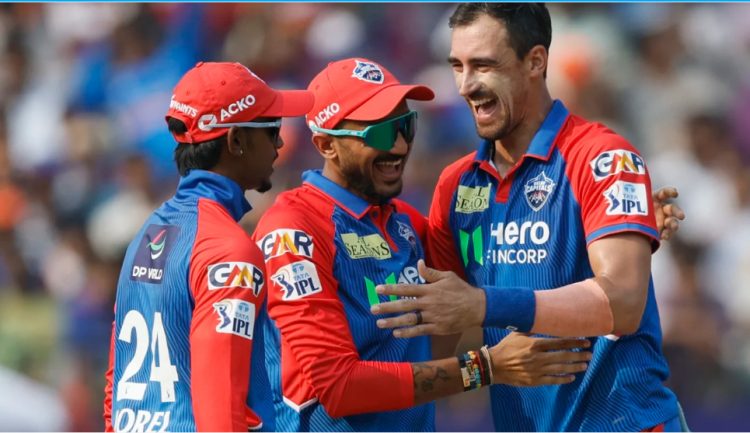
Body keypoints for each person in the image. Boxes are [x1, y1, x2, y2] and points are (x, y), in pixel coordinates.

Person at [372, 4, 687, 431]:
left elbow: (623, 304)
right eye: (458, 66)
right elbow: (437, 340)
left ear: (536, 61)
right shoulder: (456, 185)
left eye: (484, 65)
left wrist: (484, 304)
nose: (466, 86)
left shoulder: (604, 157)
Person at [251, 57, 595, 432]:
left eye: (405, 126)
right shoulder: (293, 230)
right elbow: (339, 388)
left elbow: (494, 276)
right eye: (381, 134)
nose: (400, 146)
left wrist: (594, 231)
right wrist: (486, 367)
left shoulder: (408, 225)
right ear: (325, 144)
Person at [102, 61, 314, 432]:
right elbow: (221, 412)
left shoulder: (148, 233)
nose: (280, 143)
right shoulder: (228, 251)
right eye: (272, 128)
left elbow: (115, 390)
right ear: (236, 141)